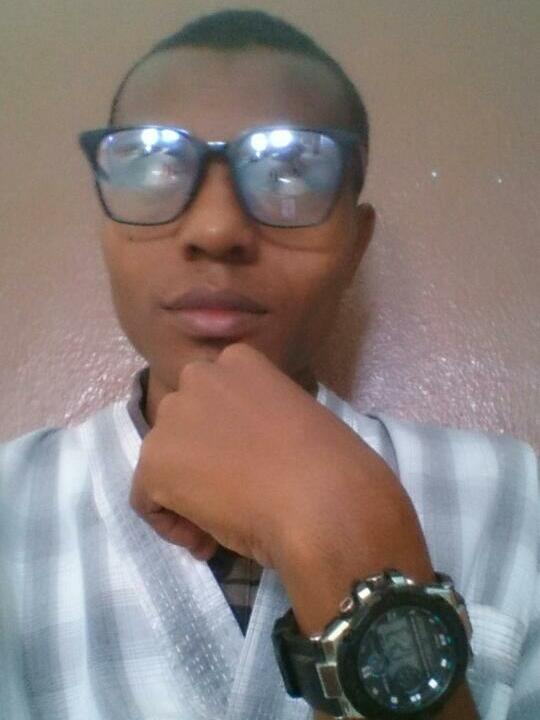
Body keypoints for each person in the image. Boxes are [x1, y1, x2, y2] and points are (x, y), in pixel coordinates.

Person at [0, 8, 538, 720]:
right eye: (153, 164)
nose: (216, 229)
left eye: (291, 171)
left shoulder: (517, 496)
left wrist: (352, 546)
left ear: (355, 242)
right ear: (106, 232)